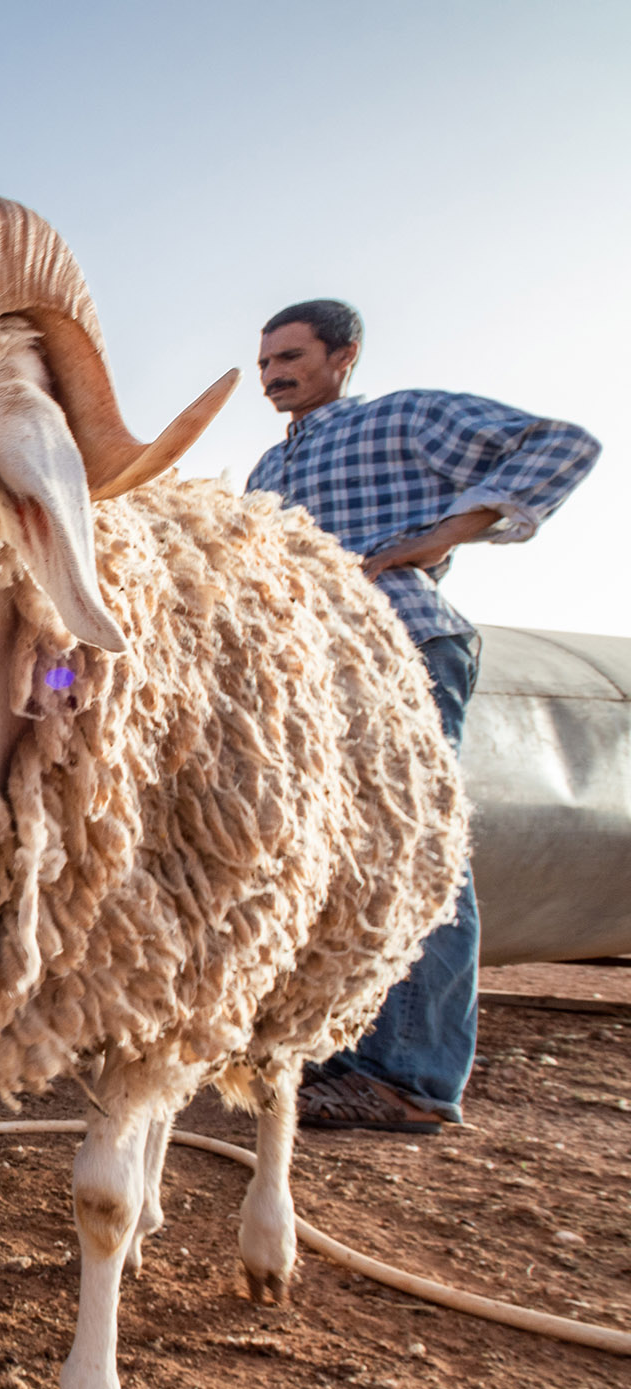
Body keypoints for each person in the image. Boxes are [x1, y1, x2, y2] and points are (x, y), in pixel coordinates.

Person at [247, 299, 600, 1132]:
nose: (274, 375)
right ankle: (337, 1047)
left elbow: (562, 443)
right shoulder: (269, 468)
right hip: (310, 674)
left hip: (402, 645)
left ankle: (411, 1075)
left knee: (417, 850)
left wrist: (445, 534)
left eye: (290, 357)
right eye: (264, 363)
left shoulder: (403, 419)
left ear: (344, 357)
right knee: (331, 857)